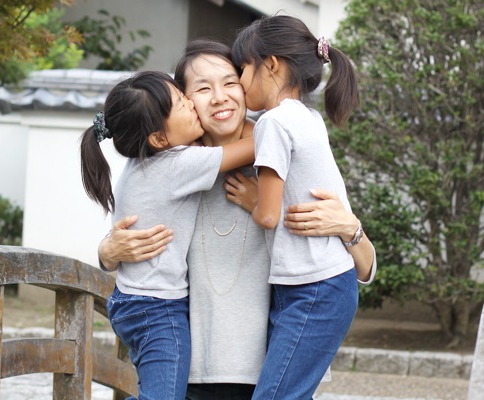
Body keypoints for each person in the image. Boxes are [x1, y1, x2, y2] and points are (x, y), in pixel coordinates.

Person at [98, 40, 376, 400]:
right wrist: (107, 251)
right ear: (183, 102)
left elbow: (363, 270)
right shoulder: (167, 163)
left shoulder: (284, 147)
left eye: (230, 82)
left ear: (250, 82)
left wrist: (350, 229)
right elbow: (129, 233)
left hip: (269, 370)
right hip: (193, 372)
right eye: (201, 89)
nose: (219, 97)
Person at [79, 70, 254, 400]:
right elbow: (256, 147)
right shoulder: (178, 163)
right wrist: (287, 119)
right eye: (181, 102)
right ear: (159, 138)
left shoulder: (147, 162)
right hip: (156, 309)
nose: (192, 103)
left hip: (136, 302)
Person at [230, 15, 365, 399]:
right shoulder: (308, 117)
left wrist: (254, 201)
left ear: (270, 64)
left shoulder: (274, 123)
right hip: (323, 282)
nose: (239, 83)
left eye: (242, 69)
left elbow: (269, 215)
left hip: (314, 288)